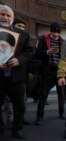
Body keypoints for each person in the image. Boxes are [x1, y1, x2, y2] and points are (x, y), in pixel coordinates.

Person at [0, 5, 32, 139]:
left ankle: (17, 129)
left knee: (19, 105)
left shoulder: (23, 34)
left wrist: (19, 60)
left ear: (12, 19)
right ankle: (1, 128)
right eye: (2, 14)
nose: (5, 17)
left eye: (8, 15)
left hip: (16, 77)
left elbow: (28, 52)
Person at [35, 22, 66, 125]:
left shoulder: (63, 42)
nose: (56, 34)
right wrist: (47, 52)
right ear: (50, 31)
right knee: (43, 94)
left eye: (58, 32)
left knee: (61, 94)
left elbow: (65, 58)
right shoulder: (43, 39)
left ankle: (61, 113)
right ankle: (39, 117)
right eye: (54, 32)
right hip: (47, 71)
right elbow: (37, 54)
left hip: (59, 71)